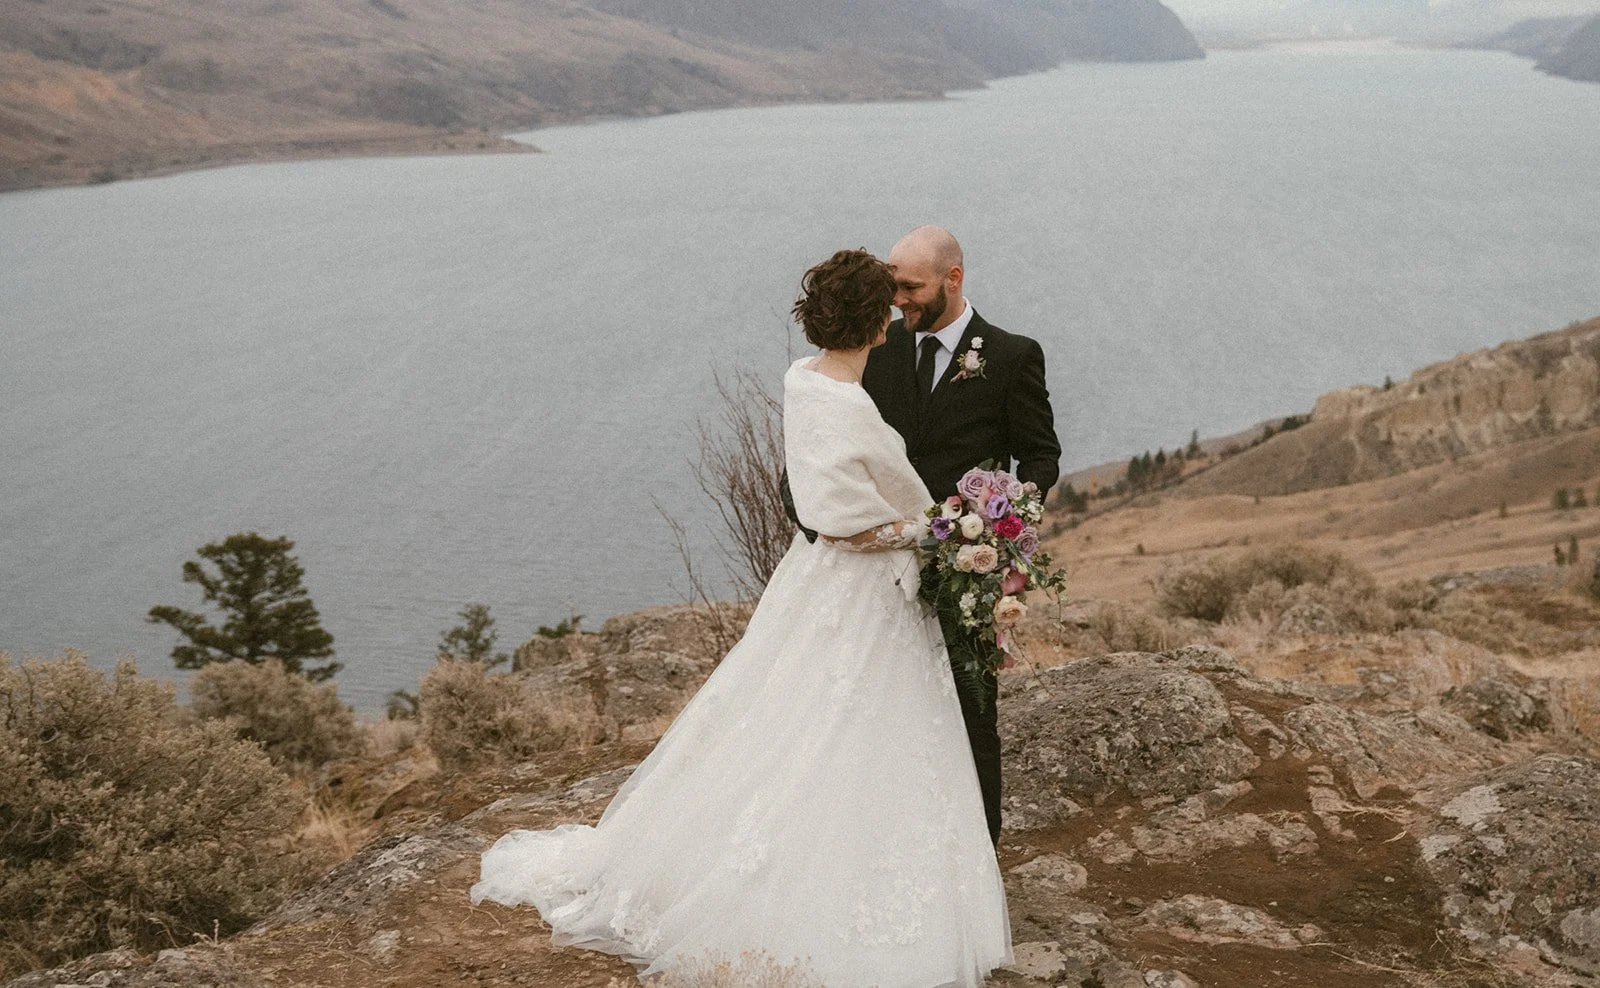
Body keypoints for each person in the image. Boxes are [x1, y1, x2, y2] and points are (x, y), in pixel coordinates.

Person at [471, 249, 1012, 987]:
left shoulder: (805, 379)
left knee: (796, 719)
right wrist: (944, 529)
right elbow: (845, 525)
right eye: (888, 306)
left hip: (816, 588)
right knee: (848, 729)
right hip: (855, 597)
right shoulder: (847, 407)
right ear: (876, 318)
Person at [783, 226, 1062, 846]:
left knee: (972, 714)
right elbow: (819, 454)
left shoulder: (1013, 355)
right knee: (873, 718)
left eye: (909, 287)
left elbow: (1040, 459)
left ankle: (980, 858)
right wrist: (824, 535)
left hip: (967, 567)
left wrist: (1007, 531)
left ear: (952, 279)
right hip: (876, 578)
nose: (897, 301)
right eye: (891, 288)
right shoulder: (873, 350)